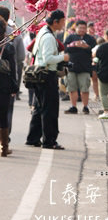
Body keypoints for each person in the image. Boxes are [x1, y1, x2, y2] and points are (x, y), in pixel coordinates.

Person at [26, 9, 68, 150]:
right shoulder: (49, 37)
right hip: (47, 75)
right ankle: (49, 141)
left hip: (40, 75)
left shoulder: (43, 32)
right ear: (55, 22)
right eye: (62, 21)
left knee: (39, 108)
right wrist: (64, 57)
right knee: (49, 110)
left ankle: (33, 138)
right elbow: (48, 59)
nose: (63, 24)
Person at [0, 6, 25, 141]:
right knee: (7, 109)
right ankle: (5, 141)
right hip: (8, 77)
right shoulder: (14, 33)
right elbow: (21, 56)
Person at [64, 19, 96, 114]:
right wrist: (75, 45)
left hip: (85, 67)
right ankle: (73, 107)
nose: (82, 29)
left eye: (84, 28)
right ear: (76, 28)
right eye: (80, 27)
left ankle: (85, 107)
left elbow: (94, 50)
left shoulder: (90, 39)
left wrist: (87, 48)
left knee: (84, 88)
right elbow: (65, 49)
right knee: (72, 88)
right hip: (71, 67)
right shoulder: (70, 37)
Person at [0, 17, 17, 157]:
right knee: (3, 116)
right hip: (4, 85)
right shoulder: (8, 46)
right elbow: (13, 69)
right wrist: (14, 87)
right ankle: (4, 148)